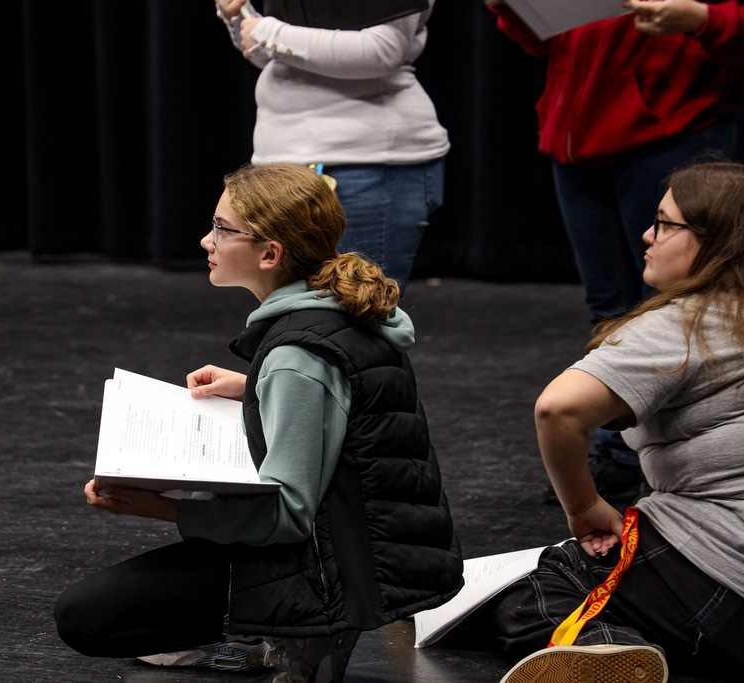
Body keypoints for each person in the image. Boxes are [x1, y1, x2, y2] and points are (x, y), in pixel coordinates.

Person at [54, 162, 463, 683]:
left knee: (85, 618)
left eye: (223, 230)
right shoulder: (342, 312)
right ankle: (282, 633)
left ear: (271, 255)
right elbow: (356, 405)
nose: (207, 240)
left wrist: (158, 508)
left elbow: (289, 515)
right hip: (375, 552)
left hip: (327, 570)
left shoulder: (297, 358)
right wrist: (254, 387)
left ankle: (284, 633)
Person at [483, 0, 744, 505]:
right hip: (576, 139)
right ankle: (621, 453)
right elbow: (544, 40)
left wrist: (703, 18)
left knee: (681, 303)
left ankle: (671, 455)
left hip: (668, 128)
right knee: (610, 310)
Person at [494, 161, 744, 683]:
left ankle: (609, 656)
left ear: (717, 242)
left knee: (546, 585)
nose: (647, 234)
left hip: (734, 578)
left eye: (666, 224)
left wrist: (584, 509)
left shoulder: (687, 323)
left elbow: (558, 408)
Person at [212, 0, 449, 294]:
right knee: (291, 309)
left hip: (366, 162)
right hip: (283, 160)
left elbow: (382, 50)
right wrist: (240, 14)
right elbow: (273, 53)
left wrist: (267, 31)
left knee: (357, 311)